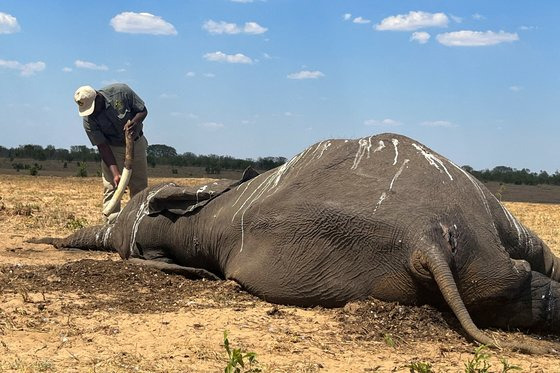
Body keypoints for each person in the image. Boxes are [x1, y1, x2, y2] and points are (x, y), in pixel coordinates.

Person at [73, 83, 149, 220]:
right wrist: (115, 174)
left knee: (140, 188)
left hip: (136, 143)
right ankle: (110, 227)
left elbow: (143, 110)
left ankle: (140, 223)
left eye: (93, 108)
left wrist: (135, 122)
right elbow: (102, 146)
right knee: (111, 188)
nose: (92, 113)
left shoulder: (121, 92)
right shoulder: (89, 120)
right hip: (112, 149)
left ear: (98, 97)